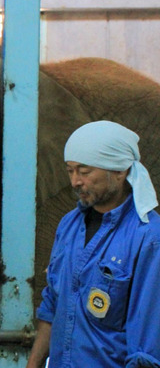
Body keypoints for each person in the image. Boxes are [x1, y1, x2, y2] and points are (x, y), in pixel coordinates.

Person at [27, 120, 160, 368]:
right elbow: (53, 304)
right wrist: (33, 364)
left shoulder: (149, 238)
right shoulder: (68, 226)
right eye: (70, 171)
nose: (75, 181)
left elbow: (146, 345)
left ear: (120, 171)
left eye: (85, 171)